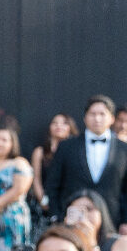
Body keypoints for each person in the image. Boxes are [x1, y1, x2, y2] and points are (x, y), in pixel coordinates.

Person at [44, 95, 127, 230]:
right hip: (71, 221)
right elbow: (53, 184)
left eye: (102, 114)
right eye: (93, 114)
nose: (97, 118)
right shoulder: (66, 146)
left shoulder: (124, 149)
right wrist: (56, 216)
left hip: (113, 221)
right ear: (85, 118)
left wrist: (125, 221)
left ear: (112, 118)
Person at [29, 112, 77, 213]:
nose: (59, 126)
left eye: (64, 123)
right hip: (45, 202)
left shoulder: (76, 151)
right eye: (55, 123)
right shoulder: (40, 152)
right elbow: (36, 179)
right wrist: (43, 200)